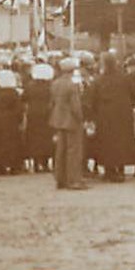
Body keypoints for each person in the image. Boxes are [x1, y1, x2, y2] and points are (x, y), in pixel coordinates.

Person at [91, 53, 135, 183]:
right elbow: (134, 94)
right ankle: (120, 169)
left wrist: (94, 113)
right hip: (123, 113)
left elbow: (92, 98)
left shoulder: (99, 80)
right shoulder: (125, 78)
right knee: (122, 141)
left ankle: (109, 170)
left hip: (104, 115)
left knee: (107, 143)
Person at [49, 59, 87, 190]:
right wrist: (81, 118)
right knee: (74, 151)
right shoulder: (72, 85)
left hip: (58, 120)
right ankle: (74, 180)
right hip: (71, 121)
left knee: (61, 150)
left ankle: (60, 178)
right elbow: (75, 106)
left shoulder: (55, 83)